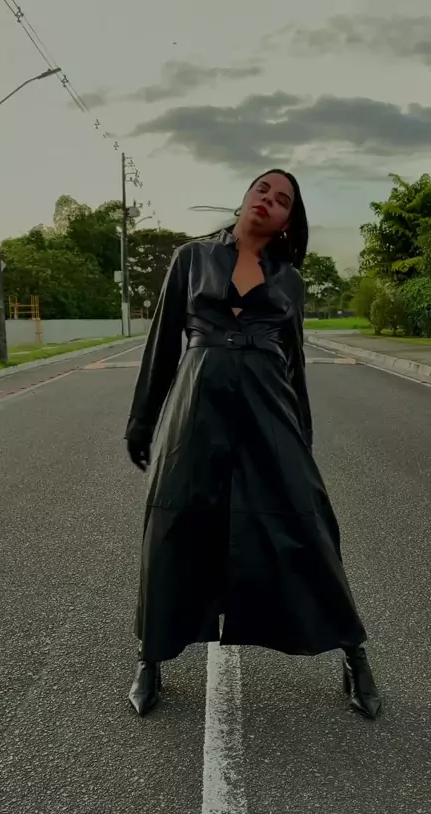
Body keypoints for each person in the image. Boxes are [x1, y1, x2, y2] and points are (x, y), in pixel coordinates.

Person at [125, 169, 381, 720]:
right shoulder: (191, 258)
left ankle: (354, 654)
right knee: (173, 527)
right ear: (245, 197)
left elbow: (296, 365)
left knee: (308, 526)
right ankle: (151, 657)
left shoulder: (289, 279)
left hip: (270, 410)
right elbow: (163, 344)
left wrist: (302, 437)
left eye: (282, 199)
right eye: (263, 189)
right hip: (196, 410)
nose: (269, 200)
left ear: (288, 220)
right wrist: (142, 422)